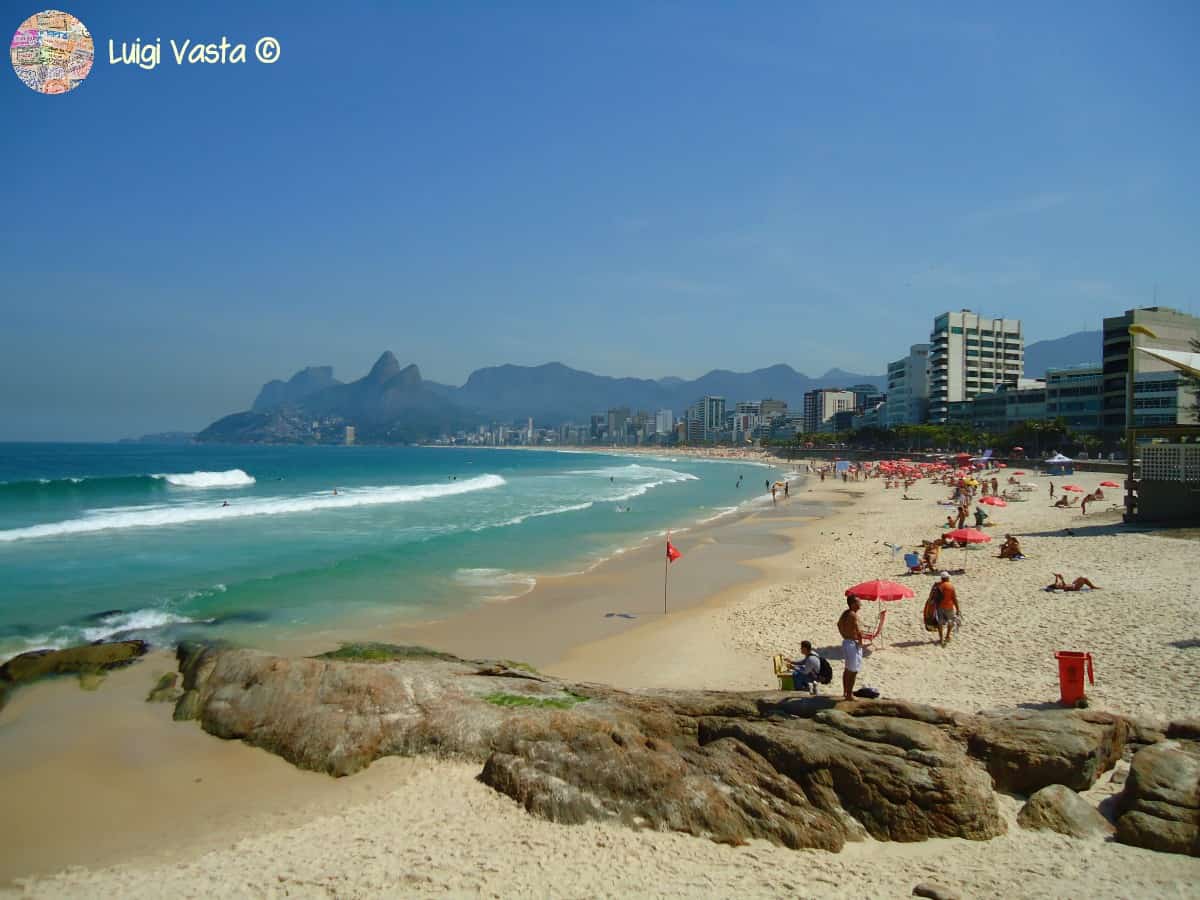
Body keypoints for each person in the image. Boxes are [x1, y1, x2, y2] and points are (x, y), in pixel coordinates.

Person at [837, 597, 864, 701]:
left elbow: (838, 624)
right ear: (853, 604)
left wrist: (844, 635)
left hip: (847, 642)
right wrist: (860, 643)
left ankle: (845, 692)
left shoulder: (846, 613)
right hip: (852, 643)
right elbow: (858, 631)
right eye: (858, 602)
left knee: (848, 669)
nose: (860, 604)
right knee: (853, 670)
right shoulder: (853, 615)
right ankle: (849, 694)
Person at [931, 572, 960, 647]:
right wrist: (957, 608)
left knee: (940, 623)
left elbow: (932, 596)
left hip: (939, 607)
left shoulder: (938, 585)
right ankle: (947, 636)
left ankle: (941, 638)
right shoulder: (950, 586)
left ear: (941, 578)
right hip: (949, 607)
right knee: (951, 621)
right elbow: (954, 598)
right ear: (947, 578)